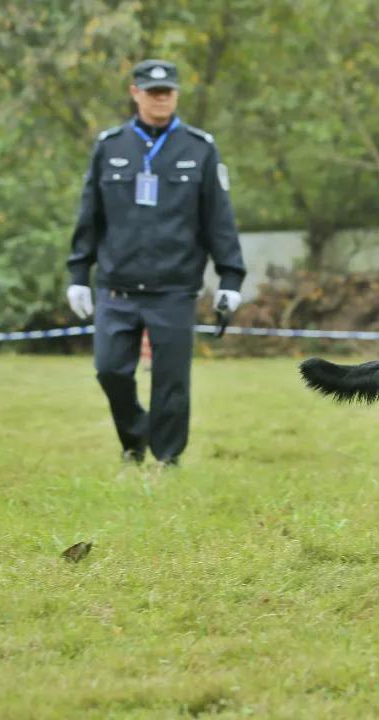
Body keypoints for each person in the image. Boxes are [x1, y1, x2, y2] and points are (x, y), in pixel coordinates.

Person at [65, 59, 246, 467]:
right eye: (152, 92)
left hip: (174, 287)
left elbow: (219, 219)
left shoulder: (200, 148)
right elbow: (89, 216)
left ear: (177, 94)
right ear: (135, 93)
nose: (161, 99)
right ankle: (135, 438)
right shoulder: (109, 147)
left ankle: (167, 459)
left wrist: (230, 278)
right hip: (116, 284)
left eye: (167, 92)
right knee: (109, 371)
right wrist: (79, 273)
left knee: (172, 383)